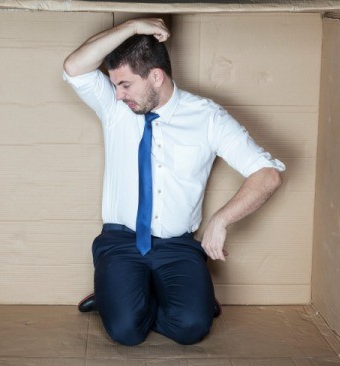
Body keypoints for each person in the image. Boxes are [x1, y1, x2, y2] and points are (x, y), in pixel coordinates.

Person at [63, 18, 285, 346]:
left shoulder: (207, 117)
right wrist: (133, 27)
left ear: (156, 76)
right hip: (121, 242)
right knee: (126, 331)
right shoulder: (115, 107)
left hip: (177, 246)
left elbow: (268, 175)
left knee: (192, 326)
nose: (118, 94)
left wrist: (221, 220)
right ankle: (115, 295)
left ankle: (177, 298)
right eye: (114, 85)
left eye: (125, 84)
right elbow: (74, 66)